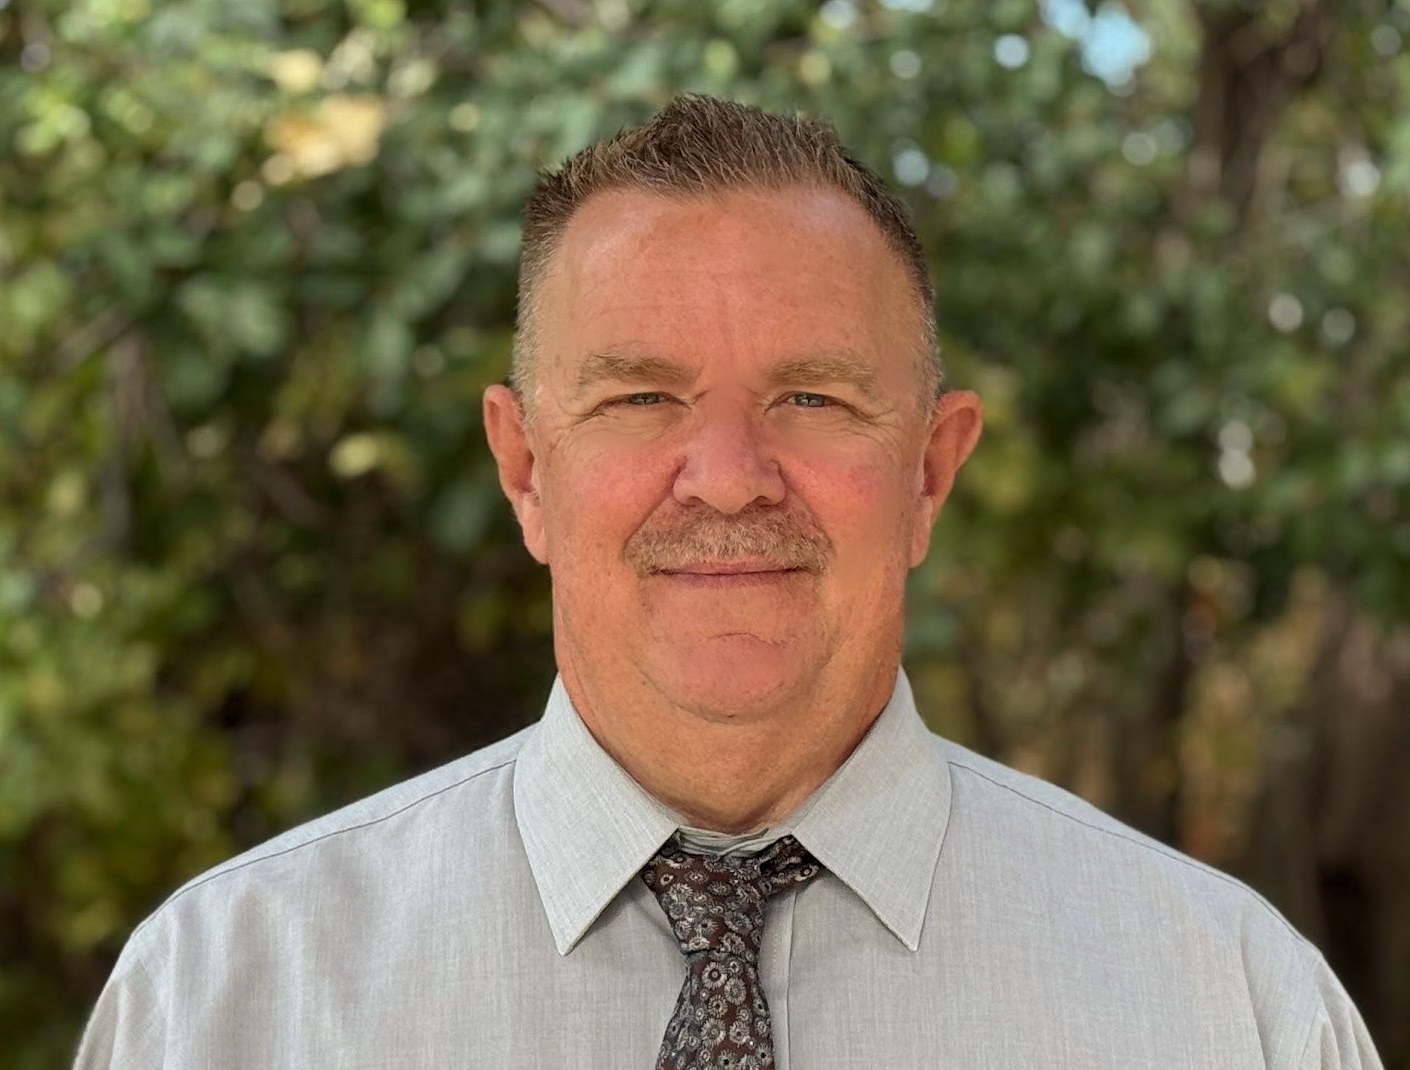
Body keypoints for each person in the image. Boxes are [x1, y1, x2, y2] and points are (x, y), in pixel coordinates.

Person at [73, 95, 1381, 1070]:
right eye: (641, 396)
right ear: (525, 468)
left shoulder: (1231, 1006)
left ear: (929, 470)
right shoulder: (226, 999)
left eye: (809, 396)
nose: (728, 476)